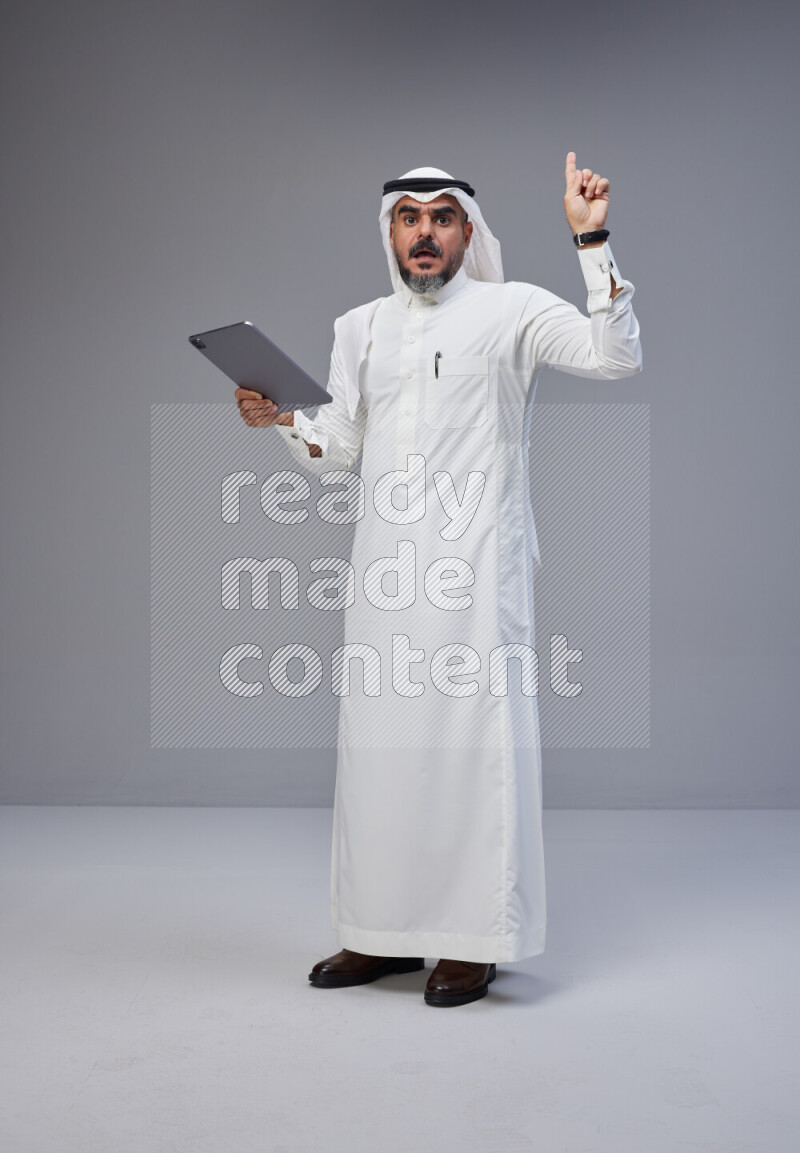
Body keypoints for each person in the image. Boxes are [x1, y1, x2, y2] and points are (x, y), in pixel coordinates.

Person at [236, 154, 642, 1007]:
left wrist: (591, 239)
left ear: (466, 230)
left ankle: (473, 940)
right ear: (389, 232)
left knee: (473, 752)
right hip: (385, 572)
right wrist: (283, 418)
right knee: (379, 754)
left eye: (442, 216)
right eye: (409, 217)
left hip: (479, 573)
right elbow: (341, 449)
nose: (425, 232)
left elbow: (615, 357)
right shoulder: (359, 327)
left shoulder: (513, 309)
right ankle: (378, 931)